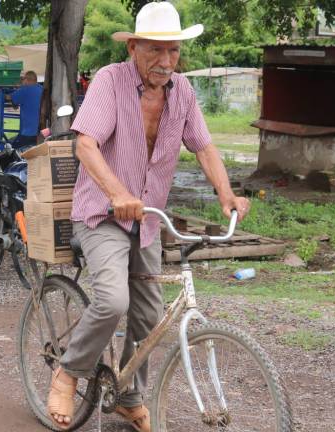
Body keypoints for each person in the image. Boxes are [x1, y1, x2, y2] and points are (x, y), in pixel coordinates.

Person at [45, 3, 251, 431]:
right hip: (101, 215)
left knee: (148, 317)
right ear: (134, 47)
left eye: (173, 51)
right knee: (113, 300)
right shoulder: (110, 81)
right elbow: (86, 145)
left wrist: (226, 194)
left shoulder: (183, 92)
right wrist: (117, 192)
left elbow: (204, 146)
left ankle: (128, 394)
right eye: (155, 50)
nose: (165, 61)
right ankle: (68, 371)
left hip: (148, 221)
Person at [10, 70, 43, 149]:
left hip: (28, 133)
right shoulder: (41, 89)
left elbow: (12, 99)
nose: (22, 81)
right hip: (42, 132)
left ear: (27, 80)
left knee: (13, 151)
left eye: (23, 79)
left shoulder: (24, 90)